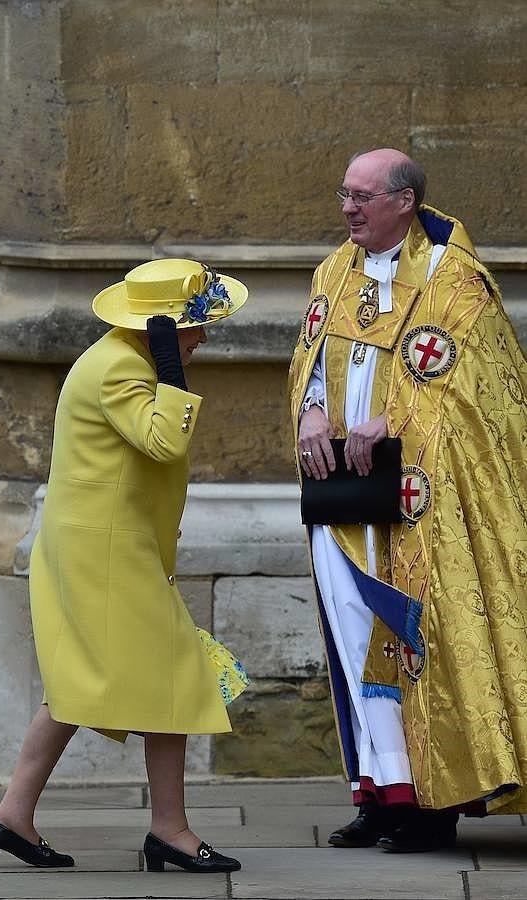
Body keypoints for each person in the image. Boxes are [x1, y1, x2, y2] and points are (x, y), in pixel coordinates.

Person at [289, 148, 527, 852]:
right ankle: (381, 793)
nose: (347, 208)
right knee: (356, 635)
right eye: (343, 194)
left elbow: (479, 389)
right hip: (345, 492)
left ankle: (433, 801)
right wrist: (310, 412)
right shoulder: (335, 268)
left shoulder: (455, 279)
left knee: (416, 637)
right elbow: (309, 357)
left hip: (427, 502)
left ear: (404, 201)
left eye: (361, 196)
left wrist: (392, 418)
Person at [0, 258, 249, 873]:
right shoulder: (121, 367)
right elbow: (163, 440)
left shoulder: (123, 358)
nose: (204, 336)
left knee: (80, 685)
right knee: (175, 677)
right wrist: (173, 370)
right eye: (194, 326)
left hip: (107, 548)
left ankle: (12, 816)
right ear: (160, 330)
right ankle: (170, 832)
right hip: (105, 554)